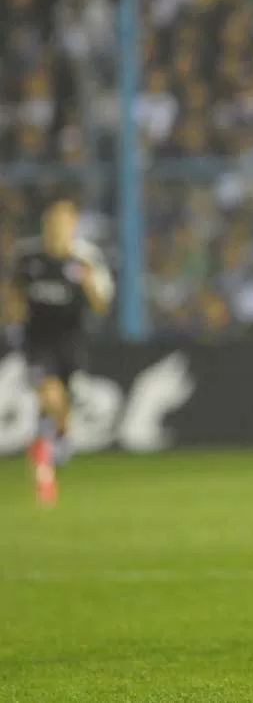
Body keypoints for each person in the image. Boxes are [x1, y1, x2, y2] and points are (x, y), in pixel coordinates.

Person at [7, 199, 114, 507]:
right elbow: (14, 293)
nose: (56, 227)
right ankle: (44, 453)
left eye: (63, 222)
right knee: (49, 391)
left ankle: (58, 444)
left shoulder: (86, 258)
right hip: (38, 340)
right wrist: (14, 325)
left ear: (73, 225)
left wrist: (88, 281)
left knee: (62, 403)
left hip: (71, 340)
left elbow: (101, 303)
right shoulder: (29, 257)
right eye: (51, 221)